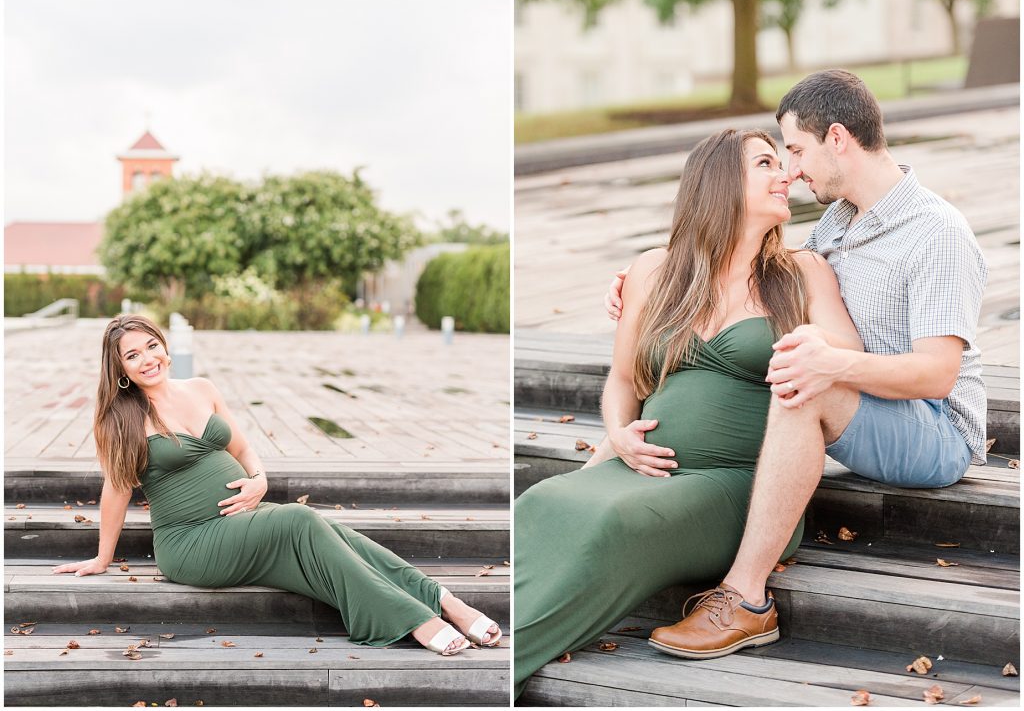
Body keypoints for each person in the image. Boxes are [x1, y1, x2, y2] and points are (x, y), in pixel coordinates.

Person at [603, 69, 987, 660]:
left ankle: (746, 599)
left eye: (798, 150)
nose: (792, 169)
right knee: (792, 364)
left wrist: (830, 364)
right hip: (871, 410)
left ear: (839, 139)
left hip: (934, 428)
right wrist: (648, 281)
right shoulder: (838, 220)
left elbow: (937, 376)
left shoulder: (935, 231)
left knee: (803, 383)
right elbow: (764, 272)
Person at [513, 127, 863, 698]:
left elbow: (847, 361)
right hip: (642, 468)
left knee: (610, 525)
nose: (788, 175)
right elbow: (623, 380)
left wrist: (811, 347)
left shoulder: (801, 274)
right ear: (720, 182)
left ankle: (504, 668)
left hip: (741, 487)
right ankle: (487, 636)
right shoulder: (656, 270)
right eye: (767, 164)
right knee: (542, 499)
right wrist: (618, 433)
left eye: (786, 163)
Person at [53, 314, 501, 656]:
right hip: (191, 543)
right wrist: (102, 556)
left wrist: (260, 481)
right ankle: (410, 619)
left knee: (340, 536)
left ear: (166, 348)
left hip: (244, 520)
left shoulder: (201, 388)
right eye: (133, 356)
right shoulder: (121, 419)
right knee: (301, 519)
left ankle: (446, 602)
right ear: (121, 370)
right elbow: (116, 490)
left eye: (152, 346)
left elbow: (244, 449)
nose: (148, 359)